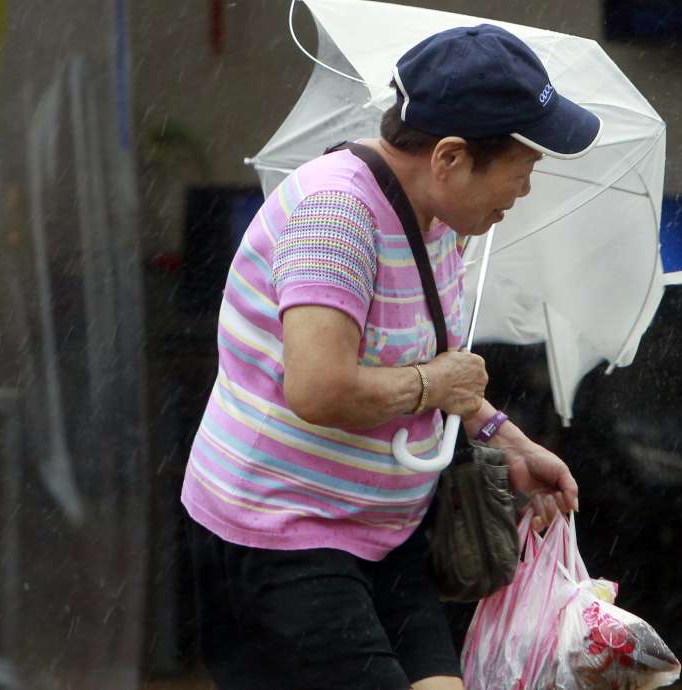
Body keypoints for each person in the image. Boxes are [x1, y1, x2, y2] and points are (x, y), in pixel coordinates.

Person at [180, 24, 599, 690]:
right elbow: (319, 389)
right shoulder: (336, 214)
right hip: (287, 535)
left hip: (385, 532)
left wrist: (505, 437)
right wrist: (436, 382)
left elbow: (428, 371)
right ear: (450, 158)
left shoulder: (438, 223)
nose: (518, 197)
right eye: (518, 178)